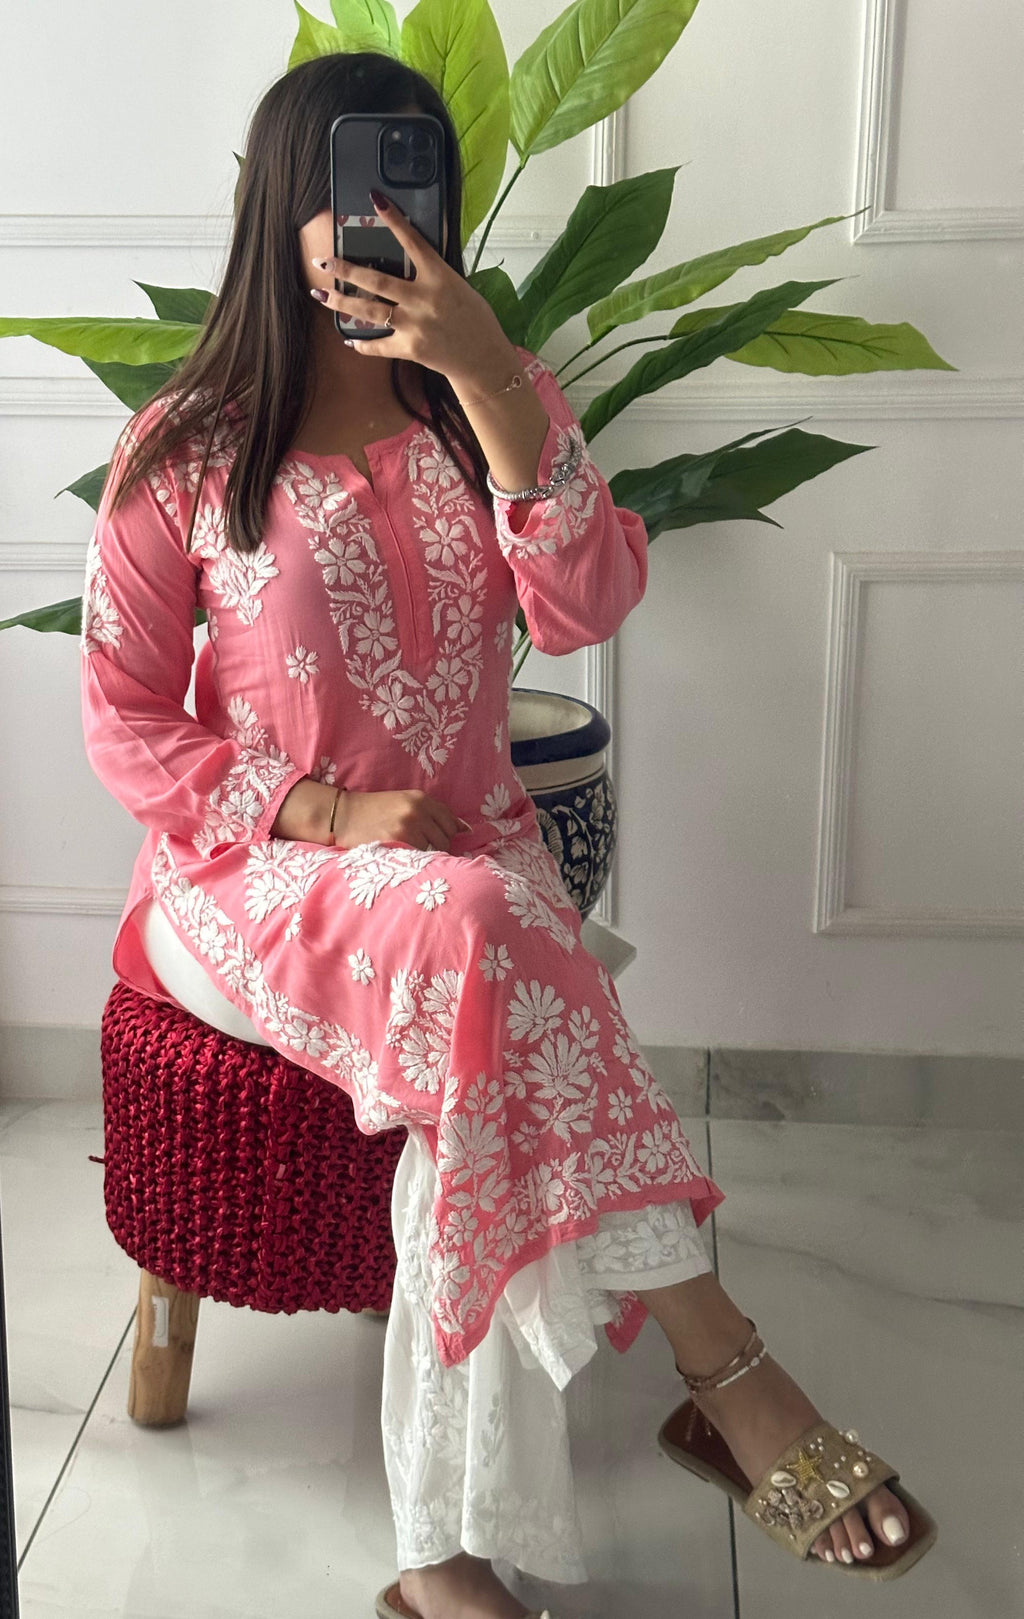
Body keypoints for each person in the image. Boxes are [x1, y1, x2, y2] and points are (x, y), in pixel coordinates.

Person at [80, 51, 921, 1619]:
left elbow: (586, 604)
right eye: (352, 182)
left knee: (478, 974)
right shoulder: (188, 447)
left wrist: (488, 379)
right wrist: (324, 812)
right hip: (248, 883)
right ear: (289, 203)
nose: (383, 215)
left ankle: (439, 1560)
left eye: (414, 180)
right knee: (484, 934)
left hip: (470, 872)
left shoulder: (490, 403)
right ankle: (727, 1371)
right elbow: (124, 720)